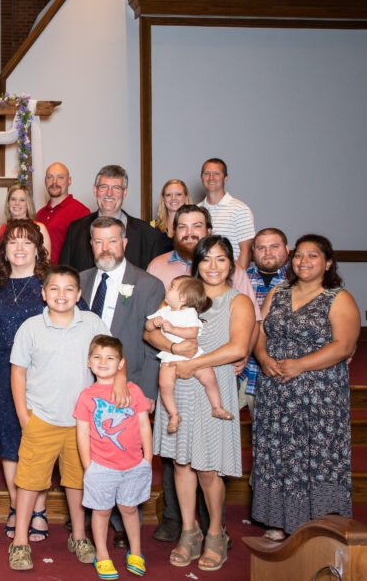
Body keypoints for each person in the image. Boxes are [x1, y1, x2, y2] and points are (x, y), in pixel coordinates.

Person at [145, 204, 260, 545]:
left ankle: (215, 533)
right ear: (197, 263)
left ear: (231, 264)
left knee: (208, 469)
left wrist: (194, 364)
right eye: (207, 259)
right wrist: (172, 344)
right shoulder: (183, 296)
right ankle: (189, 530)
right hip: (178, 388)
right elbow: (149, 332)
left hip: (213, 387)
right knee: (181, 465)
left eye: (221, 259)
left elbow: (238, 348)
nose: (213, 266)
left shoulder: (237, 301)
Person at [251, 235, 360, 539]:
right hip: (276, 390)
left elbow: (343, 346)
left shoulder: (339, 298)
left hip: (320, 393)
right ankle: (278, 519)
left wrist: (300, 364)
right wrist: (262, 356)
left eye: (313, 256)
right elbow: (260, 331)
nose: (304, 261)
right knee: (277, 453)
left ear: (328, 263)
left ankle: (322, 521)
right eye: (299, 255)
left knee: (318, 454)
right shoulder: (278, 292)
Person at [7, 265, 112, 571]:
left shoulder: (92, 322)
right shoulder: (31, 327)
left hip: (82, 423)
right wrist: (25, 416)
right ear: (43, 293)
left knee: (78, 482)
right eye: (54, 288)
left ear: (79, 294)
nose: (61, 295)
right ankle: (20, 542)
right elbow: (18, 372)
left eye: (69, 289)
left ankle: (79, 536)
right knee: (28, 482)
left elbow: (111, 361)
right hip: (42, 418)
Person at [77, 215, 165, 549]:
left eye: (112, 240)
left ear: (124, 243)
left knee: (125, 451)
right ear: (91, 245)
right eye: (98, 241)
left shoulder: (147, 284)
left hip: (132, 388)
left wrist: (149, 390)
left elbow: (154, 344)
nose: (105, 248)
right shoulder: (82, 280)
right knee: (96, 450)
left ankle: (125, 527)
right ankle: (95, 512)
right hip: (89, 384)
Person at [0, 219, 50, 542]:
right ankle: (14, 505)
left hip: (40, 373)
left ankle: (38, 508)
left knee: (37, 442)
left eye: (27, 242)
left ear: (38, 248)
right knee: (8, 445)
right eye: (13, 243)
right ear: (4, 250)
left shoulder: (49, 285)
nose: (20, 248)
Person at [74, 335, 152, 580]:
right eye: (97, 357)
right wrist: (89, 466)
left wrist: (147, 458)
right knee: (102, 512)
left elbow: (144, 425)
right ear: (89, 362)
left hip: (133, 465)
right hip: (101, 467)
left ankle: (136, 552)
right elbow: (82, 433)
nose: (103, 362)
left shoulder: (134, 390)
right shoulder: (87, 396)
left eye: (110, 358)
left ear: (121, 364)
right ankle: (103, 554)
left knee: (129, 509)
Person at [149, 276, 233, 432]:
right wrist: (153, 322)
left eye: (172, 287)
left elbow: (192, 332)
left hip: (192, 355)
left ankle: (217, 406)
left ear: (183, 298)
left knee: (209, 377)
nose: (168, 289)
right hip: (170, 357)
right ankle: (173, 414)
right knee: (165, 385)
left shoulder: (189, 312)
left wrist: (172, 329)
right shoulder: (164, 311)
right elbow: (147, 328)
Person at [59, 165, 171, 271]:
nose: (109, 193)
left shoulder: (148, 234)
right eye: (104, 187)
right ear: (95, 190)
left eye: (116, 188)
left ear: (125, 192)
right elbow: (64, 274)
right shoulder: (76, 229)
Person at [240, 228, 291, 410]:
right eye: (261, 248)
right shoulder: (240, 279)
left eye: (274, 246)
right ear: (253, 252)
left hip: (283, 374)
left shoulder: (300, 281)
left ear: (287, 248)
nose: (268, 253)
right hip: (242, 371)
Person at [198, 158, 255, 269]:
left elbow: (246, 251)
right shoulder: (197, 210)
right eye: (207, 174)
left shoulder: (240, 209)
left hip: (231, 279)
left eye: (216, 174)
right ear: (201, 178)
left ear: (226, 179)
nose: (211, 178)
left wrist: (237, 280)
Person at [36, 162, 90, 264]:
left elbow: (84, 255)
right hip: (40, 277)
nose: (54, 182)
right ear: (45, 181)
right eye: (50, 177)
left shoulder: (81, 212)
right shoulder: (39, 214)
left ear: (69, 181)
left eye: (60, 177)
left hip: (65, 277)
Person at [0, 182, 52, 259]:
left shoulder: (40, 228)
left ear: (28, 204)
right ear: (8, 203)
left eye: (22, 200)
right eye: (13, 199)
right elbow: (0, 262)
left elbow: (46, 261)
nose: (17, 203)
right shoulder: (0, 231)